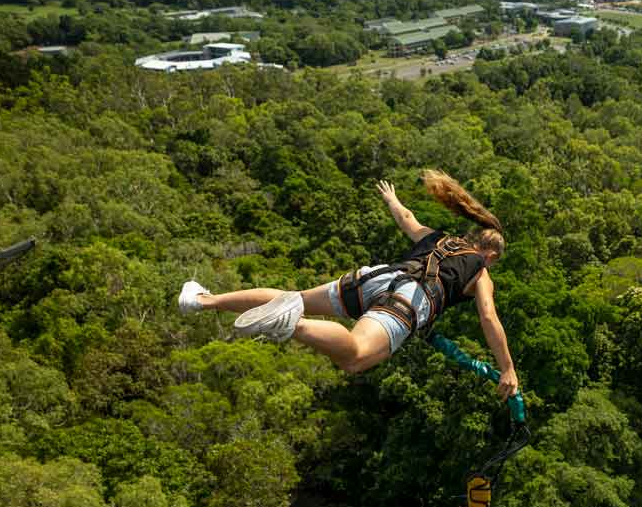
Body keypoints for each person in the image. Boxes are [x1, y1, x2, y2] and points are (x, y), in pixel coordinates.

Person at [178, 170, 519, 401]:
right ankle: (291, 324)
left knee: (292, 297)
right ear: (490, 256)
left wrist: (391, 199)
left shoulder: (440, 239)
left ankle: (203, 300)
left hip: (374, 278)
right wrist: (507, 368)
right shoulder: (480, 271)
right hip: (405, 302)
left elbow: (407, 219)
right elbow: (488, 317)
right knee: (354, 356)